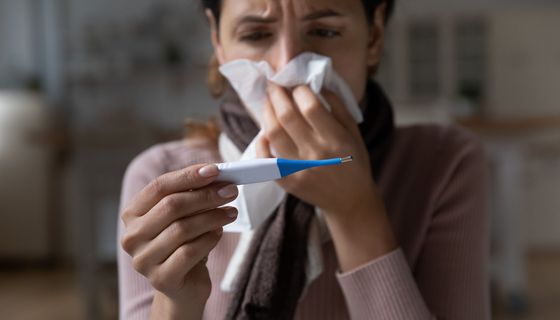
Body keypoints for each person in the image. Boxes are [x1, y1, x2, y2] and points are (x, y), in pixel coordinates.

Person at [118, 0, 490, 319]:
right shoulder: (165, 178)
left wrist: (356, 212)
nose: (287, 66)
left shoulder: (444, 164)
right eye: (256, 35)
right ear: (219, 42)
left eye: (325, 31)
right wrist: (175, 300)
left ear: (373, 36)